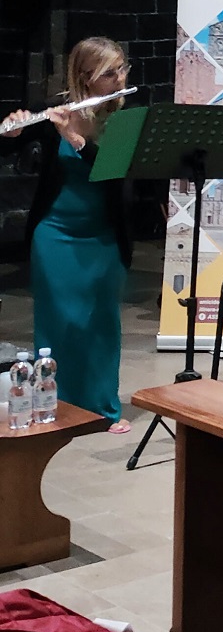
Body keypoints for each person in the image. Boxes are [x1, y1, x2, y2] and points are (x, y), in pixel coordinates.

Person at [0, 39, 135, 432]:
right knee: (59, 322)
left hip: (104, 236)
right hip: (55, 233)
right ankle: (57, 405)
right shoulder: (55, 110)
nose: (119, 79)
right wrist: (10, 133)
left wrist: (76, 140)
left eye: (122, 70)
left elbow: (116, 176)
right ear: (84, 76)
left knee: (101, 323)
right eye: (109, 73)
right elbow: (9, 147)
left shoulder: (125, 119)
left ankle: (104, 409)